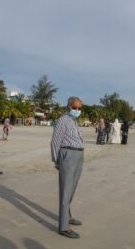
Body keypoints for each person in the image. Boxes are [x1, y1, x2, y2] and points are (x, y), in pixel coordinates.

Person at [51, 96, 84, 239]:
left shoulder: (73, 121)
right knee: (65, 191)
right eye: (75, 107)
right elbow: (55, 142)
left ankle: (68, 216)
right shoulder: (63, 120)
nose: (77, 110)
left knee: (72, 189)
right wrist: (57, 161)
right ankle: (63, 227)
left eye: (79, 108)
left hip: (78, 156)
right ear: (68, 106)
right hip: (68, 156)